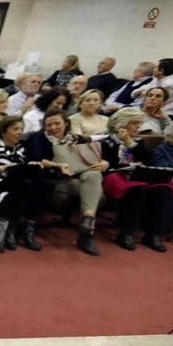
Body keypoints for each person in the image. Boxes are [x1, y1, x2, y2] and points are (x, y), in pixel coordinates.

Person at [23, 110, 108, 256]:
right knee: (95, 194)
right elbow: (38, 159)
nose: (53, 127)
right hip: (56, 179)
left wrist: (105, 163)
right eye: (49, 125)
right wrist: (57, 165)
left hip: (79, 177)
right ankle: (87, 232)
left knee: (94, 174)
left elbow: (95, 157)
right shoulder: (40, 139)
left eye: (57, 123)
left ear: (66, 124)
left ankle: (87, 222)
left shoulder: (77, 139)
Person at [99, 108, 173, 252]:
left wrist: (130, 143)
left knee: (163, 189)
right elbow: (107, 163)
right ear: (122, 123)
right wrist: (127, 164)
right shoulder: (107, 140)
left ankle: (152, 234)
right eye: (134, 123)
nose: (138, 127)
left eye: (139, 123)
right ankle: (125, 233)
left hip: (136, 176)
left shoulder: (138, 142)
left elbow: (147, 160)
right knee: (137, 190)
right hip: (115, 176)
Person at [0, 115, 53, 253]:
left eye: (21, 129)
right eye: (15, 129)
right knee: (25, 184)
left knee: (45, 185)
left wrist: (32, 164)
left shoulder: (23, 147)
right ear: (3, 131)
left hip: (20, 181)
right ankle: (10, 229)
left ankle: (28, 227)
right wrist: (2, 168)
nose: (20, 132)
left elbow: (29, 163)